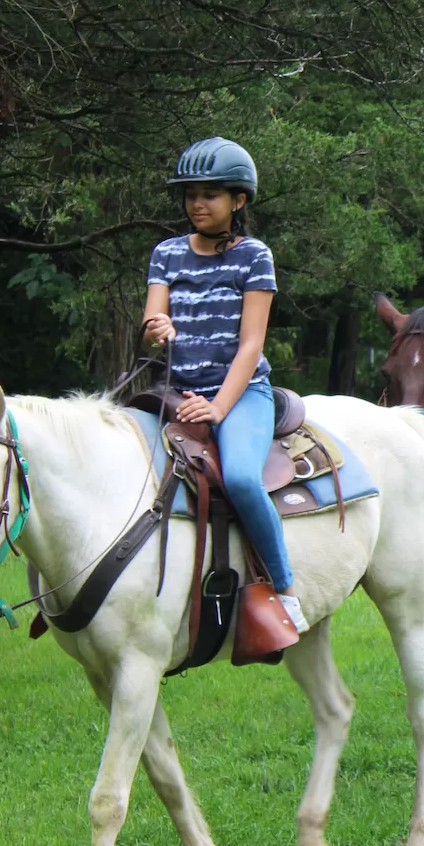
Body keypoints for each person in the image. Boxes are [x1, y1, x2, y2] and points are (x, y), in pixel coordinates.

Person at [142, 137, 307, 633]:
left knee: (238, 477)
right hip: (174, 387)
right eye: (191, 194)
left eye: (210, 194)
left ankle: (284, 589)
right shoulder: (167, 252)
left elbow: (251, 346)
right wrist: (157, 326)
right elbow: (154, 313)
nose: (197, 203)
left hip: (240, 394)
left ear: (239, 200)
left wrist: (216, 407)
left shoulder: (254, 257)